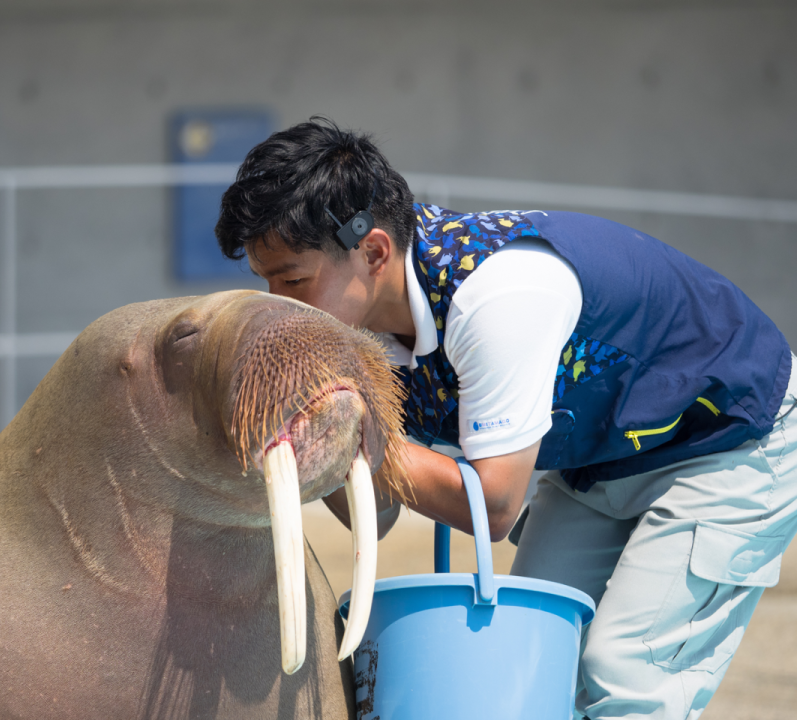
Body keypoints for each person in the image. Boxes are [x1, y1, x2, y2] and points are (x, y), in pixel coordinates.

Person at [214, 117, 797, 720]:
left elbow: (493, 506)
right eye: (267, 283)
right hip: (602, 461)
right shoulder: (365, 324)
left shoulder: (495, 297)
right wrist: (318, 446)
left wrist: (358, 435)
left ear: (374, 251)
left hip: (732, 436)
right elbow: (381, 512)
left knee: (625, 675)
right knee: (538, 661)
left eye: (293, 281)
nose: (280, 308)